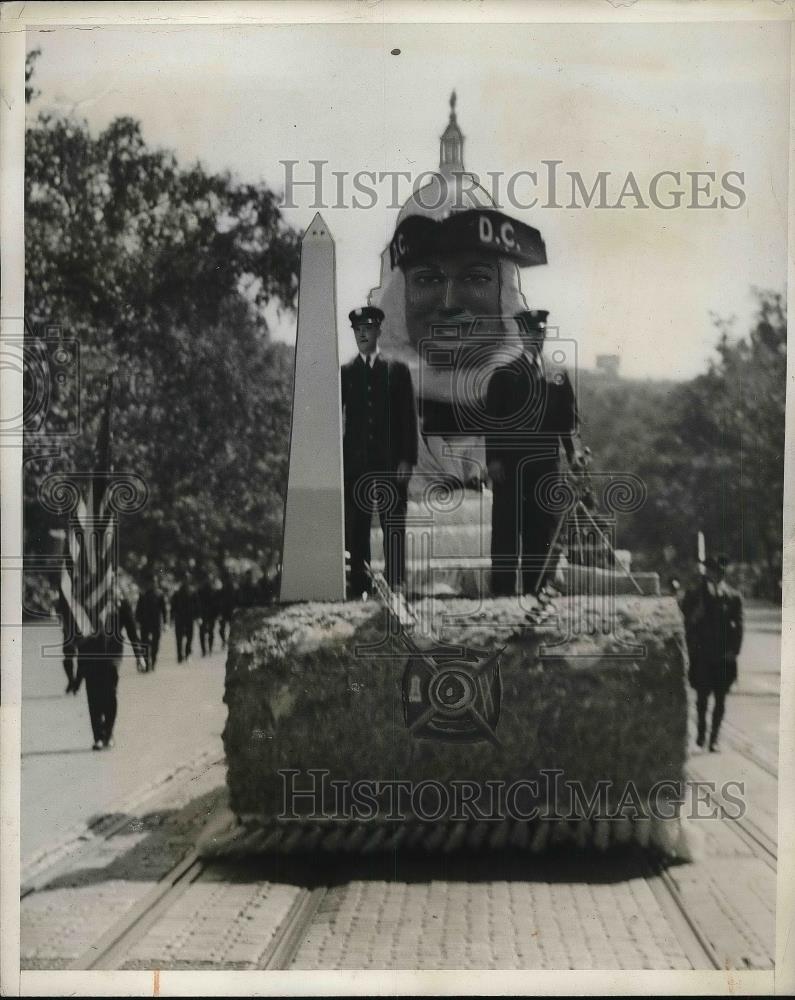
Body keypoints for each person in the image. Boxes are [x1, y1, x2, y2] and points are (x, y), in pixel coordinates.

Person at [483, 310, 588, 596]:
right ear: (521, 336)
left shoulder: (557, 375)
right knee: (507, 529)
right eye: (531, 333)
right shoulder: (504, 375)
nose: (536, 338)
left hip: (545, 467)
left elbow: (569, 421)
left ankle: (537, 590)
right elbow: (492, 421)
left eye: (540, 333)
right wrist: (493, 460)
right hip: (511, 468)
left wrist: (573, 454)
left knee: (541, 530)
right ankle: (502, 594)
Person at [341, 306, 418, 596]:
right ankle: (359, 584)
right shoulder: (346, 373)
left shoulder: (396, 370)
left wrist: (407, 459)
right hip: (357, 463)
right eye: (358, 329)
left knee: (393, 522)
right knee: (357, 525)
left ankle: (396, 582)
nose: (363, 334)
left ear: (378, 332)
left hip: (390, 461)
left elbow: (408, 418)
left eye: (368, 328)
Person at [682, 553, 744, 752]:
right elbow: (684, 625)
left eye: (720, 572)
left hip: (724, 657)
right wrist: (694, 616)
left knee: (721, 699)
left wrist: (734, 651)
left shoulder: (733, 597)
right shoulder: (694, 595)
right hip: (702, 657)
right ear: (707, 573)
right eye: (713, 571)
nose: (716, 575)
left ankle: (714, 739)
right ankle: (701, 734)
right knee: (701, 699)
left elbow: (739, 626)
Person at [76, 596, 145, 750]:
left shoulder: (120, 601)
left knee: (110, 695)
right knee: (93, 696)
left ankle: (108, 733)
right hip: (90, 654)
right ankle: (98, 737)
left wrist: (139, 655)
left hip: (112, 655)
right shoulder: (86, 596)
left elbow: (132, 629)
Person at [135, 571, 167, 670]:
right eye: (151, 582)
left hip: (156, 623)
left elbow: (164, 610)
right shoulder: (143, 595)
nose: (153, 584)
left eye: (154, 582)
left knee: (155, 644)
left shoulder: (160, 595)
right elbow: (138, 609)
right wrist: (137, 621)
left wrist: (165, 622)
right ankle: (146, 663)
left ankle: (153, 660)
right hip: (145, 623)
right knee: (144, 643)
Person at [56, 589, 80, 695]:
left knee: (84, 656)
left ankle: (76, 682)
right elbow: (60, 607)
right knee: (68, 655)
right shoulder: (64, 585)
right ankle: (72, 680)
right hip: (69, 625)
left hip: (82, 623)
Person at [170, 574, 196, 663]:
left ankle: (187, 652)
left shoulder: (192, 592)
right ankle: (180, 655)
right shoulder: (177, 592)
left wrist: (198, 616)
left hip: (189, 617)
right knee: (179, 638)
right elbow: (173, 606)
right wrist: (172, 617)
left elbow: (197, 605)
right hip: (180, 617)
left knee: (189, 637)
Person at [196, 572, 218, 656]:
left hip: (211, 614)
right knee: (203, 632)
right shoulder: (201, 590)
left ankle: (209, 648)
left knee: (210, 632)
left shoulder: (213, 590)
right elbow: (198, 603)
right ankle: (204, 650)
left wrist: (216, 613)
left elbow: (216, 603)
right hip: (204, 613)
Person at [217, 571, 237, 648]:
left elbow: (233, 599)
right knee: (222, 628)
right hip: (225, 610)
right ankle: (225, 641)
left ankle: (227, 641)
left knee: (230, 627)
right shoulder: (223, 588)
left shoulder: (231, 587)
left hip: (229, 610)